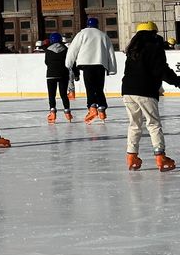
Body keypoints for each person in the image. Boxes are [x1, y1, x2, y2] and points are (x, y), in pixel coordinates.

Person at [122, 21, 179, 172]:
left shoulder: (133, 48)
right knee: (153, 124)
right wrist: (177, 81)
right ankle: (160, 156)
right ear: (154, 33)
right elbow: (161, 69)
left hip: (128, 90)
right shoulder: (154, 46)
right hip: (145, 91)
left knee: (134, 124)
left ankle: (131, 156)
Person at [66, 17, 117, 123]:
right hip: (100, 65)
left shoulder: (82, 34)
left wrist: (68, 63)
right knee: (99, 88)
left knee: (90, 87)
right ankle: (102, 109)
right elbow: (110, 53)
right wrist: (112, 69)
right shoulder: (103, 35)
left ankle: (92, 107)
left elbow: (73, 49)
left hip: (87, 65)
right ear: (97, 25)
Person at [44, 33, 73, 122]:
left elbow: (46, 62)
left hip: (51, 75)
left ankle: (52, 112)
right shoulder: (66, 49)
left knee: (51, 95)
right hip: (63, 74)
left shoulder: (48, 50)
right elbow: (69, 61)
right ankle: (67, 113)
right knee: (64, 94)